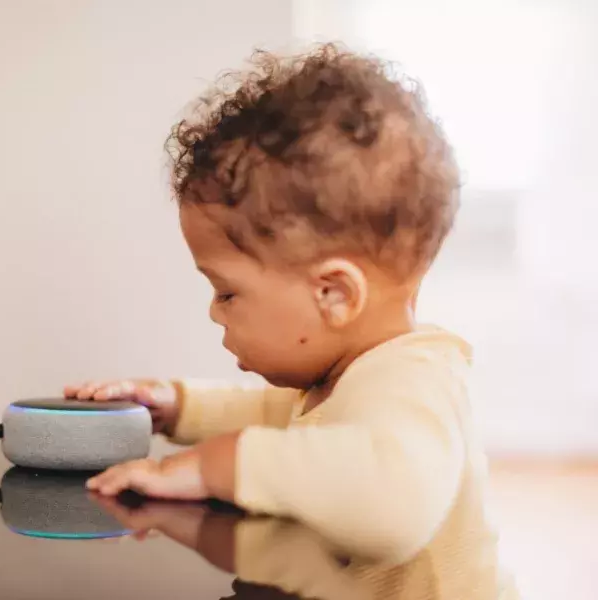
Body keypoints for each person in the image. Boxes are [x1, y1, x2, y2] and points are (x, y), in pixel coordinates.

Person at [67, 43, 515, 593]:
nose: (214, 311)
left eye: (227, 292)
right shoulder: (344, 378)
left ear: (334, 293)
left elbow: (391, 505)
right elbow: (274, 415)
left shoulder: (414, 379)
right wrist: (177, 406)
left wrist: (220, 465)